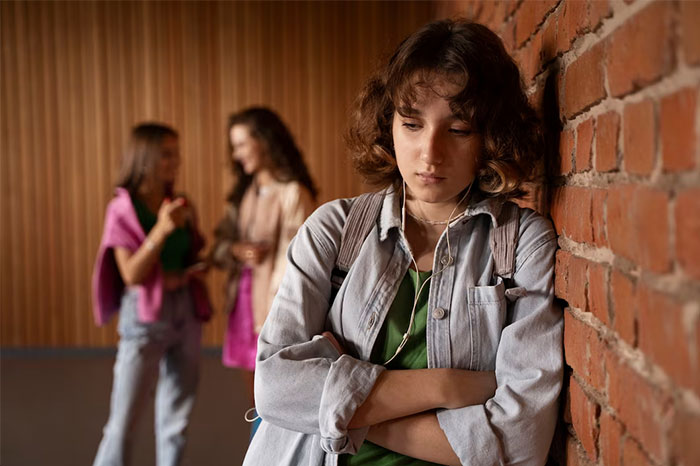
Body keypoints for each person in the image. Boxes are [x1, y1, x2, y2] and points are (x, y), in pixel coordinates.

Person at [243, 19, 563, 466]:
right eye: (412, 124)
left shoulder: (520, 243)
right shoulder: (334, 230)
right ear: (388, 124)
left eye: (458, 130)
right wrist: (447, 387)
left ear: (490, 137)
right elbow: (275, 389)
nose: (430, 154)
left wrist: (340, 410)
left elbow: (519, 442)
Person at [92, 123, 212, 466]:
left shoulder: (179, 203)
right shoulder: (122, 209)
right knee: (122, 423)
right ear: (144, 158)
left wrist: (198, 264)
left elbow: (190, 254)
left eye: (177, 153)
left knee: (176, 423)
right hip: (144, 317)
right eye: (166, 154)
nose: (176, 161)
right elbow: (131, 274)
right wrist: (161, 229)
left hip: (185, 312)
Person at [209, 107, 317, 415]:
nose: (236, 153)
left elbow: (301, 261)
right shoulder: (243, 194)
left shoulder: (294, 193)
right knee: (253, 393)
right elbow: (219, 246)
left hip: (274, 303)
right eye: (234, 146)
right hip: (243, 299)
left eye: (242, 144)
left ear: (265, 142)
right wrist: (237, 250)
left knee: (275, 392)